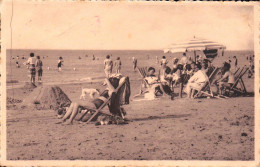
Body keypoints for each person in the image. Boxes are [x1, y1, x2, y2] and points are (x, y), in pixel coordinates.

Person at [57, 76, 127, 125]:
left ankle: (70, 121)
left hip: (96, 105)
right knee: (73, 103)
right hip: (94, 103)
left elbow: (114, 90)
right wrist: (105, 82)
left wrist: (107, 80)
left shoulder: (111, 91)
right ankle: (64, 119)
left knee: (76, 103)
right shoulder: (107, 89)